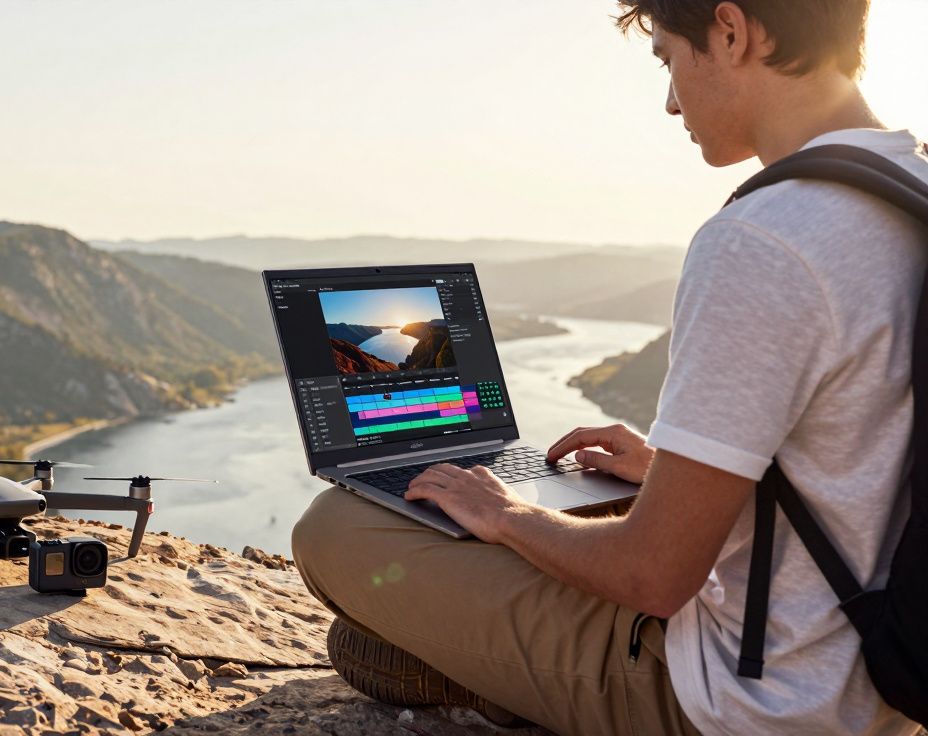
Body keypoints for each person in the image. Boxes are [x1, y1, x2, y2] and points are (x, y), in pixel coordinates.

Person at [291, 2, 927, 734]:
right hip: (879, 684)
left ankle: (482, 683)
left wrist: (507, 514)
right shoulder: (910, 187)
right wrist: (674, 474)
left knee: (337, 527)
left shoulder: (765, 237)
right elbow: (868, 460)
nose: (670, 100)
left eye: (667, 59)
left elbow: (650, 575)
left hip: (747, 704)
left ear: (731, 29)